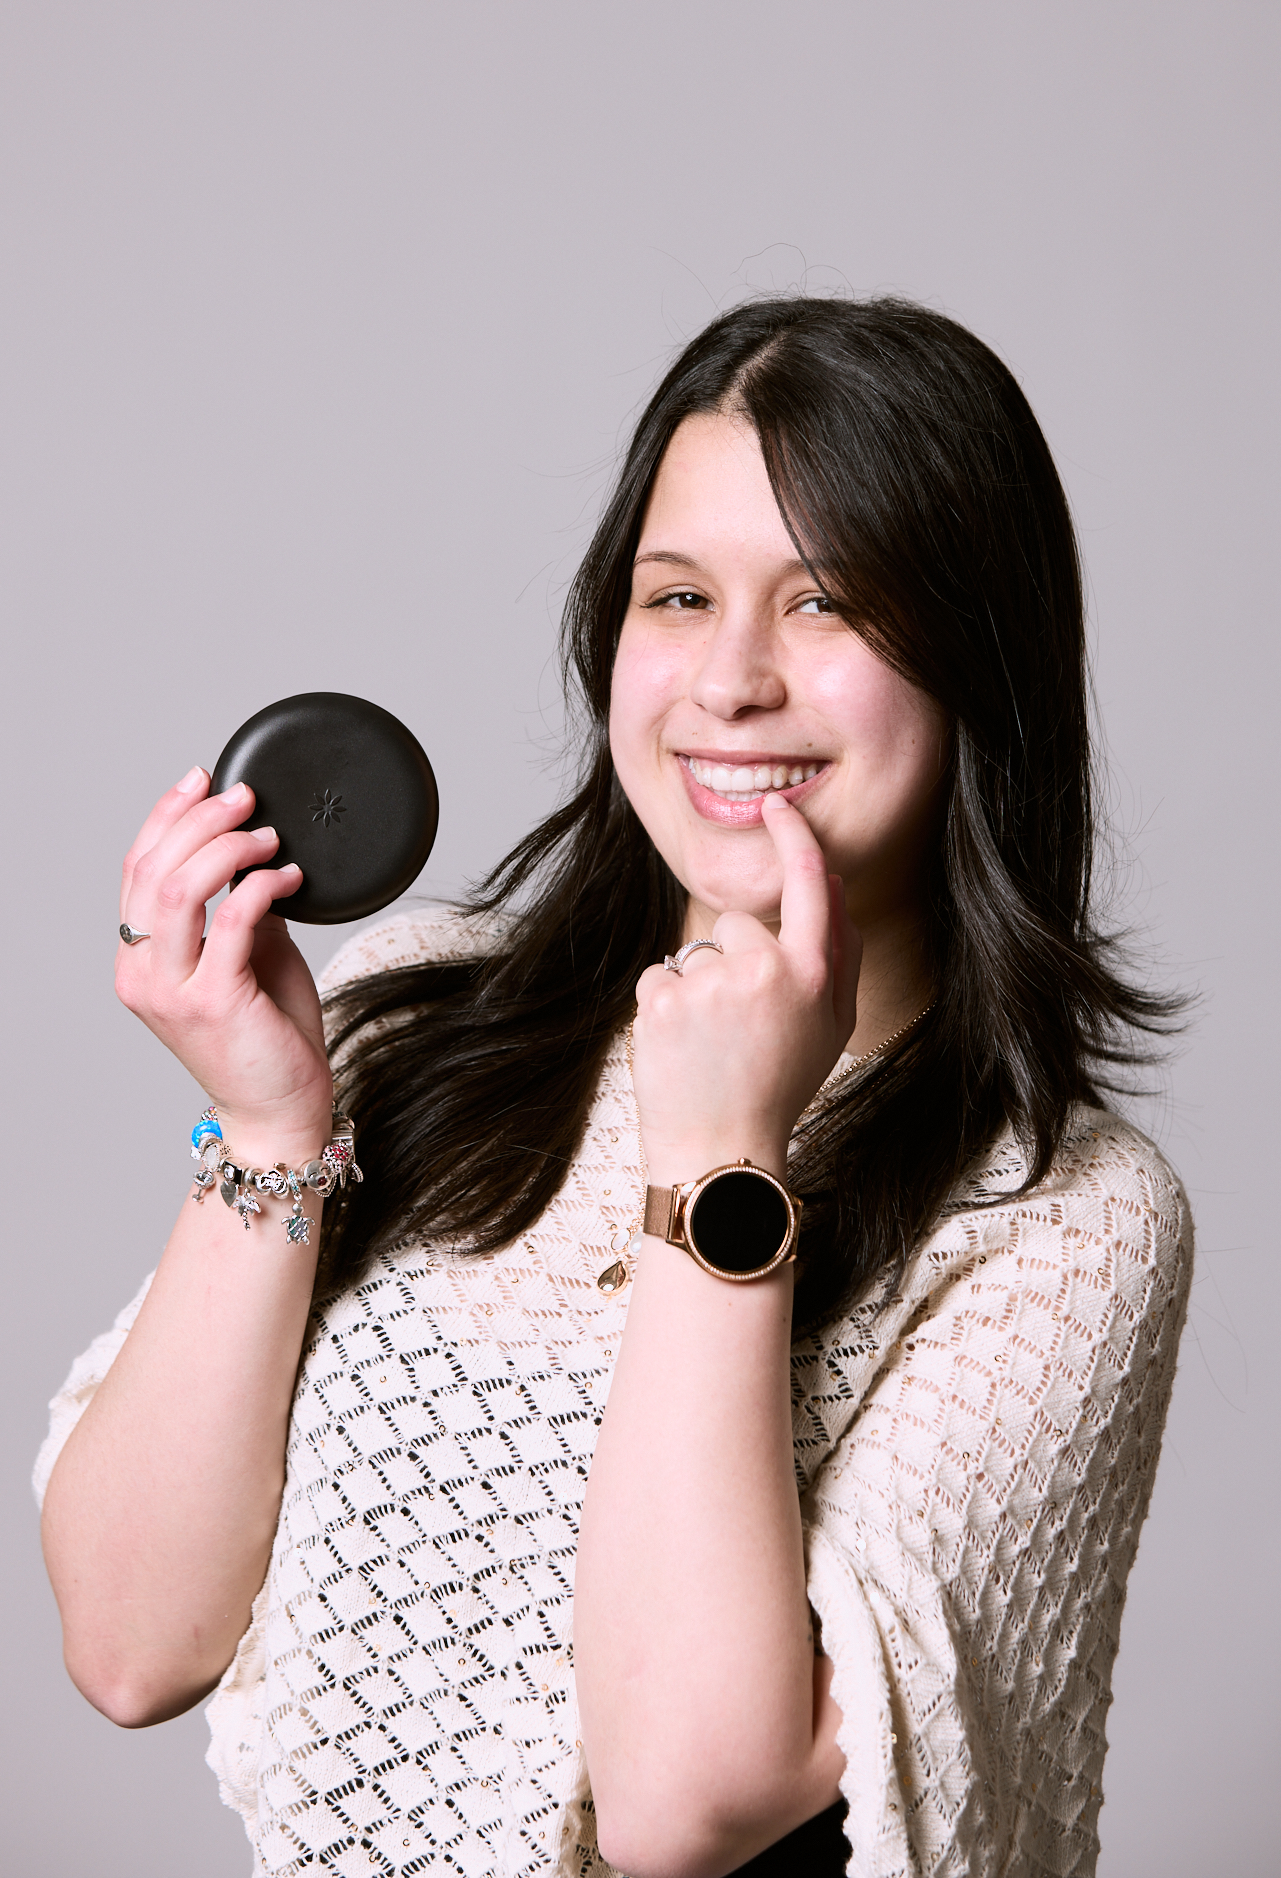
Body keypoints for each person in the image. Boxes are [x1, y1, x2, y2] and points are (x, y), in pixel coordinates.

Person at [36, 297, 1191, 1878]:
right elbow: (126, 1642)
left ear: (974, 662)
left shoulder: (1065, 1220)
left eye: (826, 605)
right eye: (678, 595)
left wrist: (725, 1154)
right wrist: (269, 1127)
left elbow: (683, 1806)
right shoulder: (408, 1014)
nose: (728, 682)